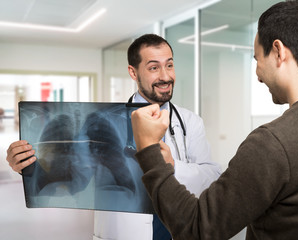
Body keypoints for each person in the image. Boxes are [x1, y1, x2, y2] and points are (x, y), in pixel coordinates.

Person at [130, 1, 298, 240]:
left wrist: (148, 151)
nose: (258, 75)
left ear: (279, 52)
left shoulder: (272, 143)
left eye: (257, 59)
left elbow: (196, 228)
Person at [6, 33, 222, 240]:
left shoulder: (190, 122)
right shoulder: (101, 120)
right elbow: (75, 180)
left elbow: (211, 176)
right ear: (133, 72)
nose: (165, 76)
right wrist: (29, 166)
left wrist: (171, 165)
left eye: (169, 65)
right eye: (154, 67)